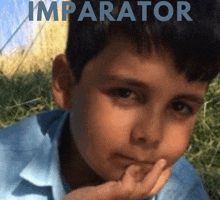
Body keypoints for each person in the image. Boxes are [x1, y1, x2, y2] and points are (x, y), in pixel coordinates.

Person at [0, 0, 219, 199]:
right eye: (125, 94)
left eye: (180, 107)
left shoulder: (181, 189)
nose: (151, 135)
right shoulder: (4, 166)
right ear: (66, 85)